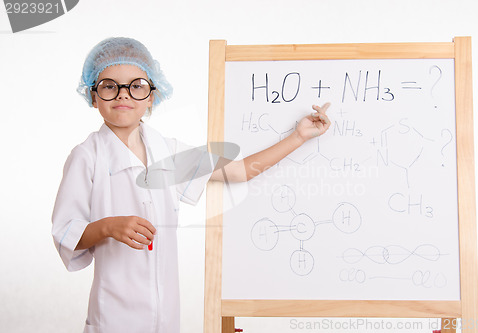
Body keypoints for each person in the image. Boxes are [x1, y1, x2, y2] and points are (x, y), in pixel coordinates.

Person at [51, 37, 331, 333]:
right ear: (93, 96)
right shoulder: (86, 156)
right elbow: (66, 233)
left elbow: (239, 171)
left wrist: (298, 137)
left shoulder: (167, 152)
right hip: (114, 319)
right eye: (109, 86)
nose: (124, 95)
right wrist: (108, 226)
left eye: (137, 86)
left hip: (166, 317)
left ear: (151, 97)